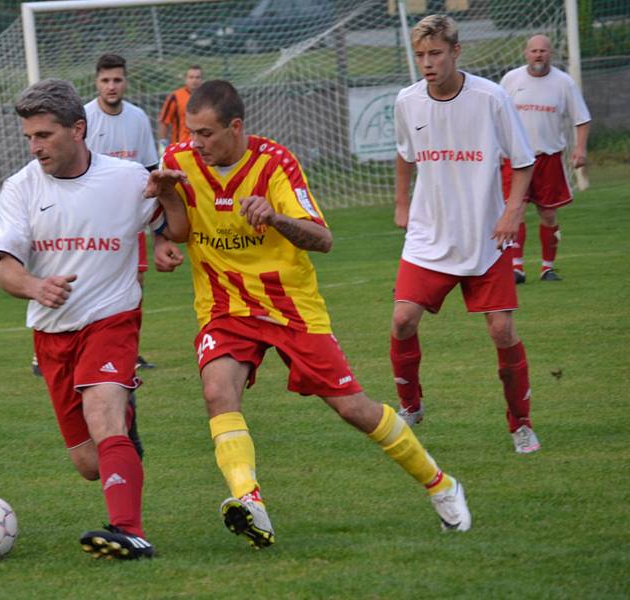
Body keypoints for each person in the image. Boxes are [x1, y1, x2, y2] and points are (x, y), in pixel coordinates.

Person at [156, 79, 472, 550]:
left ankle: (440, 484)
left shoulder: (275, 163)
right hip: (224, 307)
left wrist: (275, 218)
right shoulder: (180, 161)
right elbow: (180, 231)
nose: (195, 143)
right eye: (192, 132)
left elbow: (322, 239)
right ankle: (251, 503)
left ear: (235, 127)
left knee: (354, 409)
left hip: (291, 308)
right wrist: (165, 202)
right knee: (216, 391)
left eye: (206, 134)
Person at [0, 78, 188, 559]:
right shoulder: (19, 189)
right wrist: (37, 286)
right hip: (52, 335)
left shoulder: (125, 178)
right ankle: (124, 420)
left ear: (78, 129)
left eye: (44, 135)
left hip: (111, 319)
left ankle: (129, 531)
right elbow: (5, 269)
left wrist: (168, 200)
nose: (36, 147)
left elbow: (178, 229)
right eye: (30, 138)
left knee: (103, 414)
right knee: (89, 463)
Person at [390, 15, 541, 454]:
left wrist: (512, 212)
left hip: (485, 238)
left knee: (501, 332)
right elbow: (404, 155)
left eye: (435, 53)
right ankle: (411, 406)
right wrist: (402, 204)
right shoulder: (407, 101)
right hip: (427, 236)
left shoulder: (491, 98)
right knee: (401, 321)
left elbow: (524, 160)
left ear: (456, 52)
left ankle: (521, 425)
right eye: (419, 55)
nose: (427, 63)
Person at [84, 52, 160, 369]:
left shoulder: (138, 118)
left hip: (129, 219)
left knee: (133, 286)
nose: (111, 86)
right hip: (91, 219)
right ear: (96, 82)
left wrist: (157, 223)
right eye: (105, 80)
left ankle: (128, 352)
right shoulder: (83, 118)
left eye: (117, 80)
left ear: (126, 81)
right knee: (86, 281)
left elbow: (150, 169)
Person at [500, 34, 591, 283]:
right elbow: (498, 116)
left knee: (548, 214)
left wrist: (580, 149)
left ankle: (547, 268)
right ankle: (516, 268)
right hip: (517, 158)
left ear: (550, 53)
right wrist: (497, 149)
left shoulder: (564, 83)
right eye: (534, 51)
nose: (538, 55)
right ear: (525, 53)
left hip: (548, 158)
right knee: (514, 211)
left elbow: (582, 119)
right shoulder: (511, 79)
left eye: (543, 51)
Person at [157, 65, 203, 149]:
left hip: (202, 146)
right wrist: (162, 144)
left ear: (202, 80)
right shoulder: (175, 97)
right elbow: (164, 121)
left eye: (197, 77)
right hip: (181, 147)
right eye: (191, 77)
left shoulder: (207, 97)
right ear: (186, 79)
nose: (194, 80)